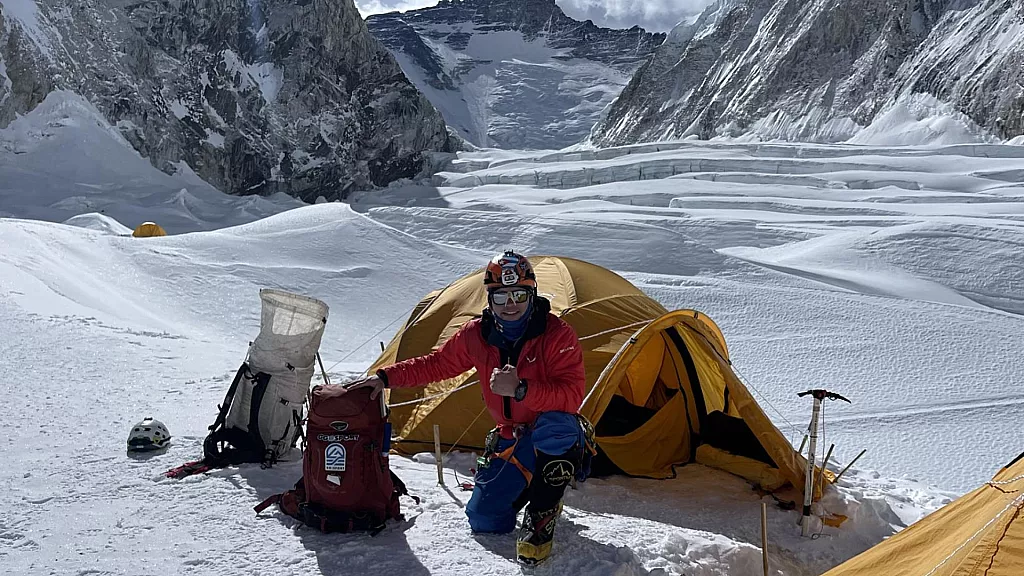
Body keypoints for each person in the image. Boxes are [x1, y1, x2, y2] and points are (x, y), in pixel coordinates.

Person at [344, 250, 588, 566]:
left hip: (549, 428)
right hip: (511, 437)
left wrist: (520, 389)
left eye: (519, 295)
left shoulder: (557, 334)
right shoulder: (476, 335)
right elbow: (437, 365)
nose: (510, 305)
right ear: (489, 300)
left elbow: (571, 396)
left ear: (532, 295)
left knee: (558, 425)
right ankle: (533, 482)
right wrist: (385, 377)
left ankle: (544, 508)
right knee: (486, 521)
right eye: (501, 297)